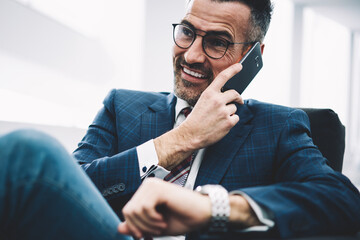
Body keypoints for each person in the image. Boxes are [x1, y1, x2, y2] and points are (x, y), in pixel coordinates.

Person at [0, 0, 359, 240]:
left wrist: (214, 207)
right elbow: (66, 189)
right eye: (187, 31)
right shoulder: (122, 105)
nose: (191, 54)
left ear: (254, 56)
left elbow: (343, 201)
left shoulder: (277, 126)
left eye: (217, 42)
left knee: (26, 153)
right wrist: (177, 141)